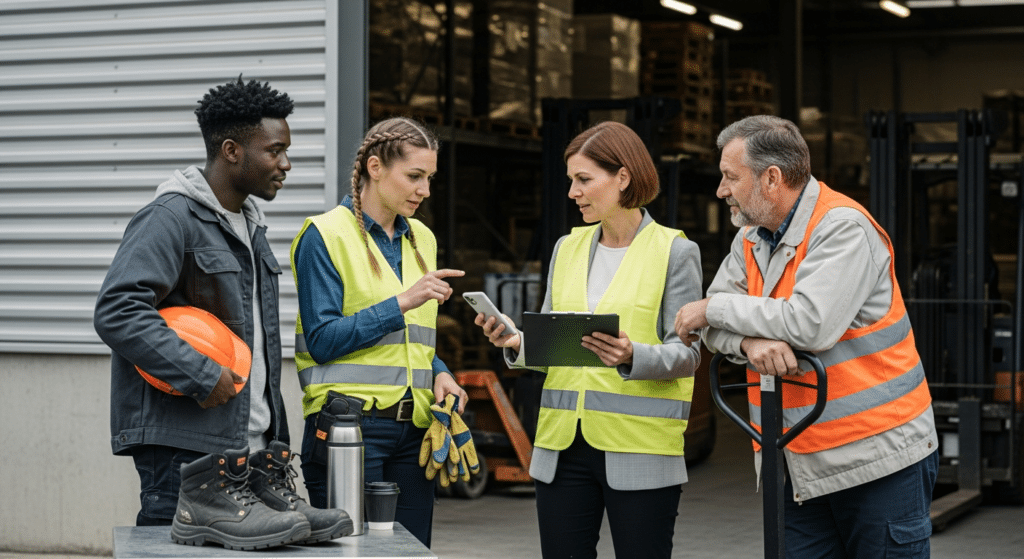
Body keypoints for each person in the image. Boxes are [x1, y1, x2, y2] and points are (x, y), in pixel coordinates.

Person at [674, 115, 938, 558]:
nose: (721, 190)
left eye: (730, 177)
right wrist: (749, 344)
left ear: (771, 179)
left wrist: (713, 309)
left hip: (878, 456)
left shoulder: (842, 227)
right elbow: (715, 329)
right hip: (796, 461)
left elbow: (808, 323)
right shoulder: (751, 239)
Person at [476, 121, 703, 559]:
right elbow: (554, 345)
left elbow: (688, 354)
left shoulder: (674, 251)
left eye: (583, 180)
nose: (572, 192)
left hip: (639, 448)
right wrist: (517, 342)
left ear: (623, 177)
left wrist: (633, 354)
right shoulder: (567, 248)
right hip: (562, 448)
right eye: (571, 181)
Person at [94, 78, 295, 526]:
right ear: (231, 151)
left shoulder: (250, 227)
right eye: (274, 150)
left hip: (249, 445)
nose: (285, 164)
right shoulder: (170, 218)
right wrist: (203, 375)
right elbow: (118, 311)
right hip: (186, 448)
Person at [290, 116, 468, 547]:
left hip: (416, 428)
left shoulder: (421, 238)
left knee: (412, 552)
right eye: (414, 176)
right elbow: (323, 340)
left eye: (429, 178)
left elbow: (415, 336)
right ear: (374, 167)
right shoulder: (324, 235)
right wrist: (403, 301)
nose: (424, 190)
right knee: (349, 552)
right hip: (349, 429)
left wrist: (440, 370)